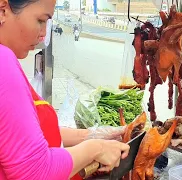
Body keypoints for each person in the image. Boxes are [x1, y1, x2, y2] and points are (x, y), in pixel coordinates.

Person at [0, 0, 130, 179]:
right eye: (40, 20)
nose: (43, 34)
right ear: (3, 10)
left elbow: (19, 136)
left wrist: (88, 135)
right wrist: (94, 149)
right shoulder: (3, 62)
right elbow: (35, 172)